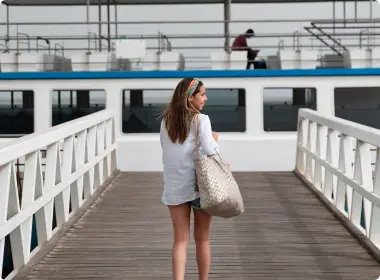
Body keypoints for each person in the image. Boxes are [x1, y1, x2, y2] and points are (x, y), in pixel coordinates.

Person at [160, 78, 219, 280]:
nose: (205, 98)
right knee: (203, 239)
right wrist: (215, 140)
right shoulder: (201, 120)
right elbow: (210, 150)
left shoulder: (166, 121)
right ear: (190, 97)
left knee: (180, 241)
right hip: (200, 186)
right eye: (202, 94)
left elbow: (168, 151)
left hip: (175, 185)